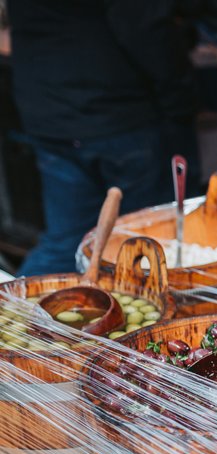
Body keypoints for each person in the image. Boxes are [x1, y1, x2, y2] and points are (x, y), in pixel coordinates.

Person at [9, 0, 198, 276]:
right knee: (153, 240)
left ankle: (15, 310)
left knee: (67, 242)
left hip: (51, 109)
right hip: (119, 114)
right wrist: (180, 101)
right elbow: (145, 25)